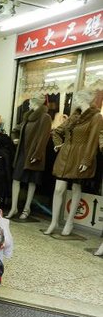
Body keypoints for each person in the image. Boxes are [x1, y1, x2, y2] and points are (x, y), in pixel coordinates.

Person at [44, 90, 103, 236]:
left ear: (84, 98)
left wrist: (86, 160)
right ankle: (54, 222)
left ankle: (69, 222)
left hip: (80, 156)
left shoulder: (96, 117)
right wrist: (58, 145)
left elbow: (93, 141)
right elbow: (57, 131)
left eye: (77, 97)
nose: (74, 100)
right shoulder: (74, 116)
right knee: (59, 189)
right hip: (65, 156)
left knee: (76, 188)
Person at [6, 94, 51, 219]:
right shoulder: (28, 117)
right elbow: (16, 129)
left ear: (36, 103)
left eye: (30, 103)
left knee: (32, 182)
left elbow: (43, 138)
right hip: (22, 153)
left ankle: (27, 209)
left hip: (34, 154)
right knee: (16, 179)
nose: (29, 105)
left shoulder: (45, 117)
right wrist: (16, 140)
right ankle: (14, 207)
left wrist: (37, 154)